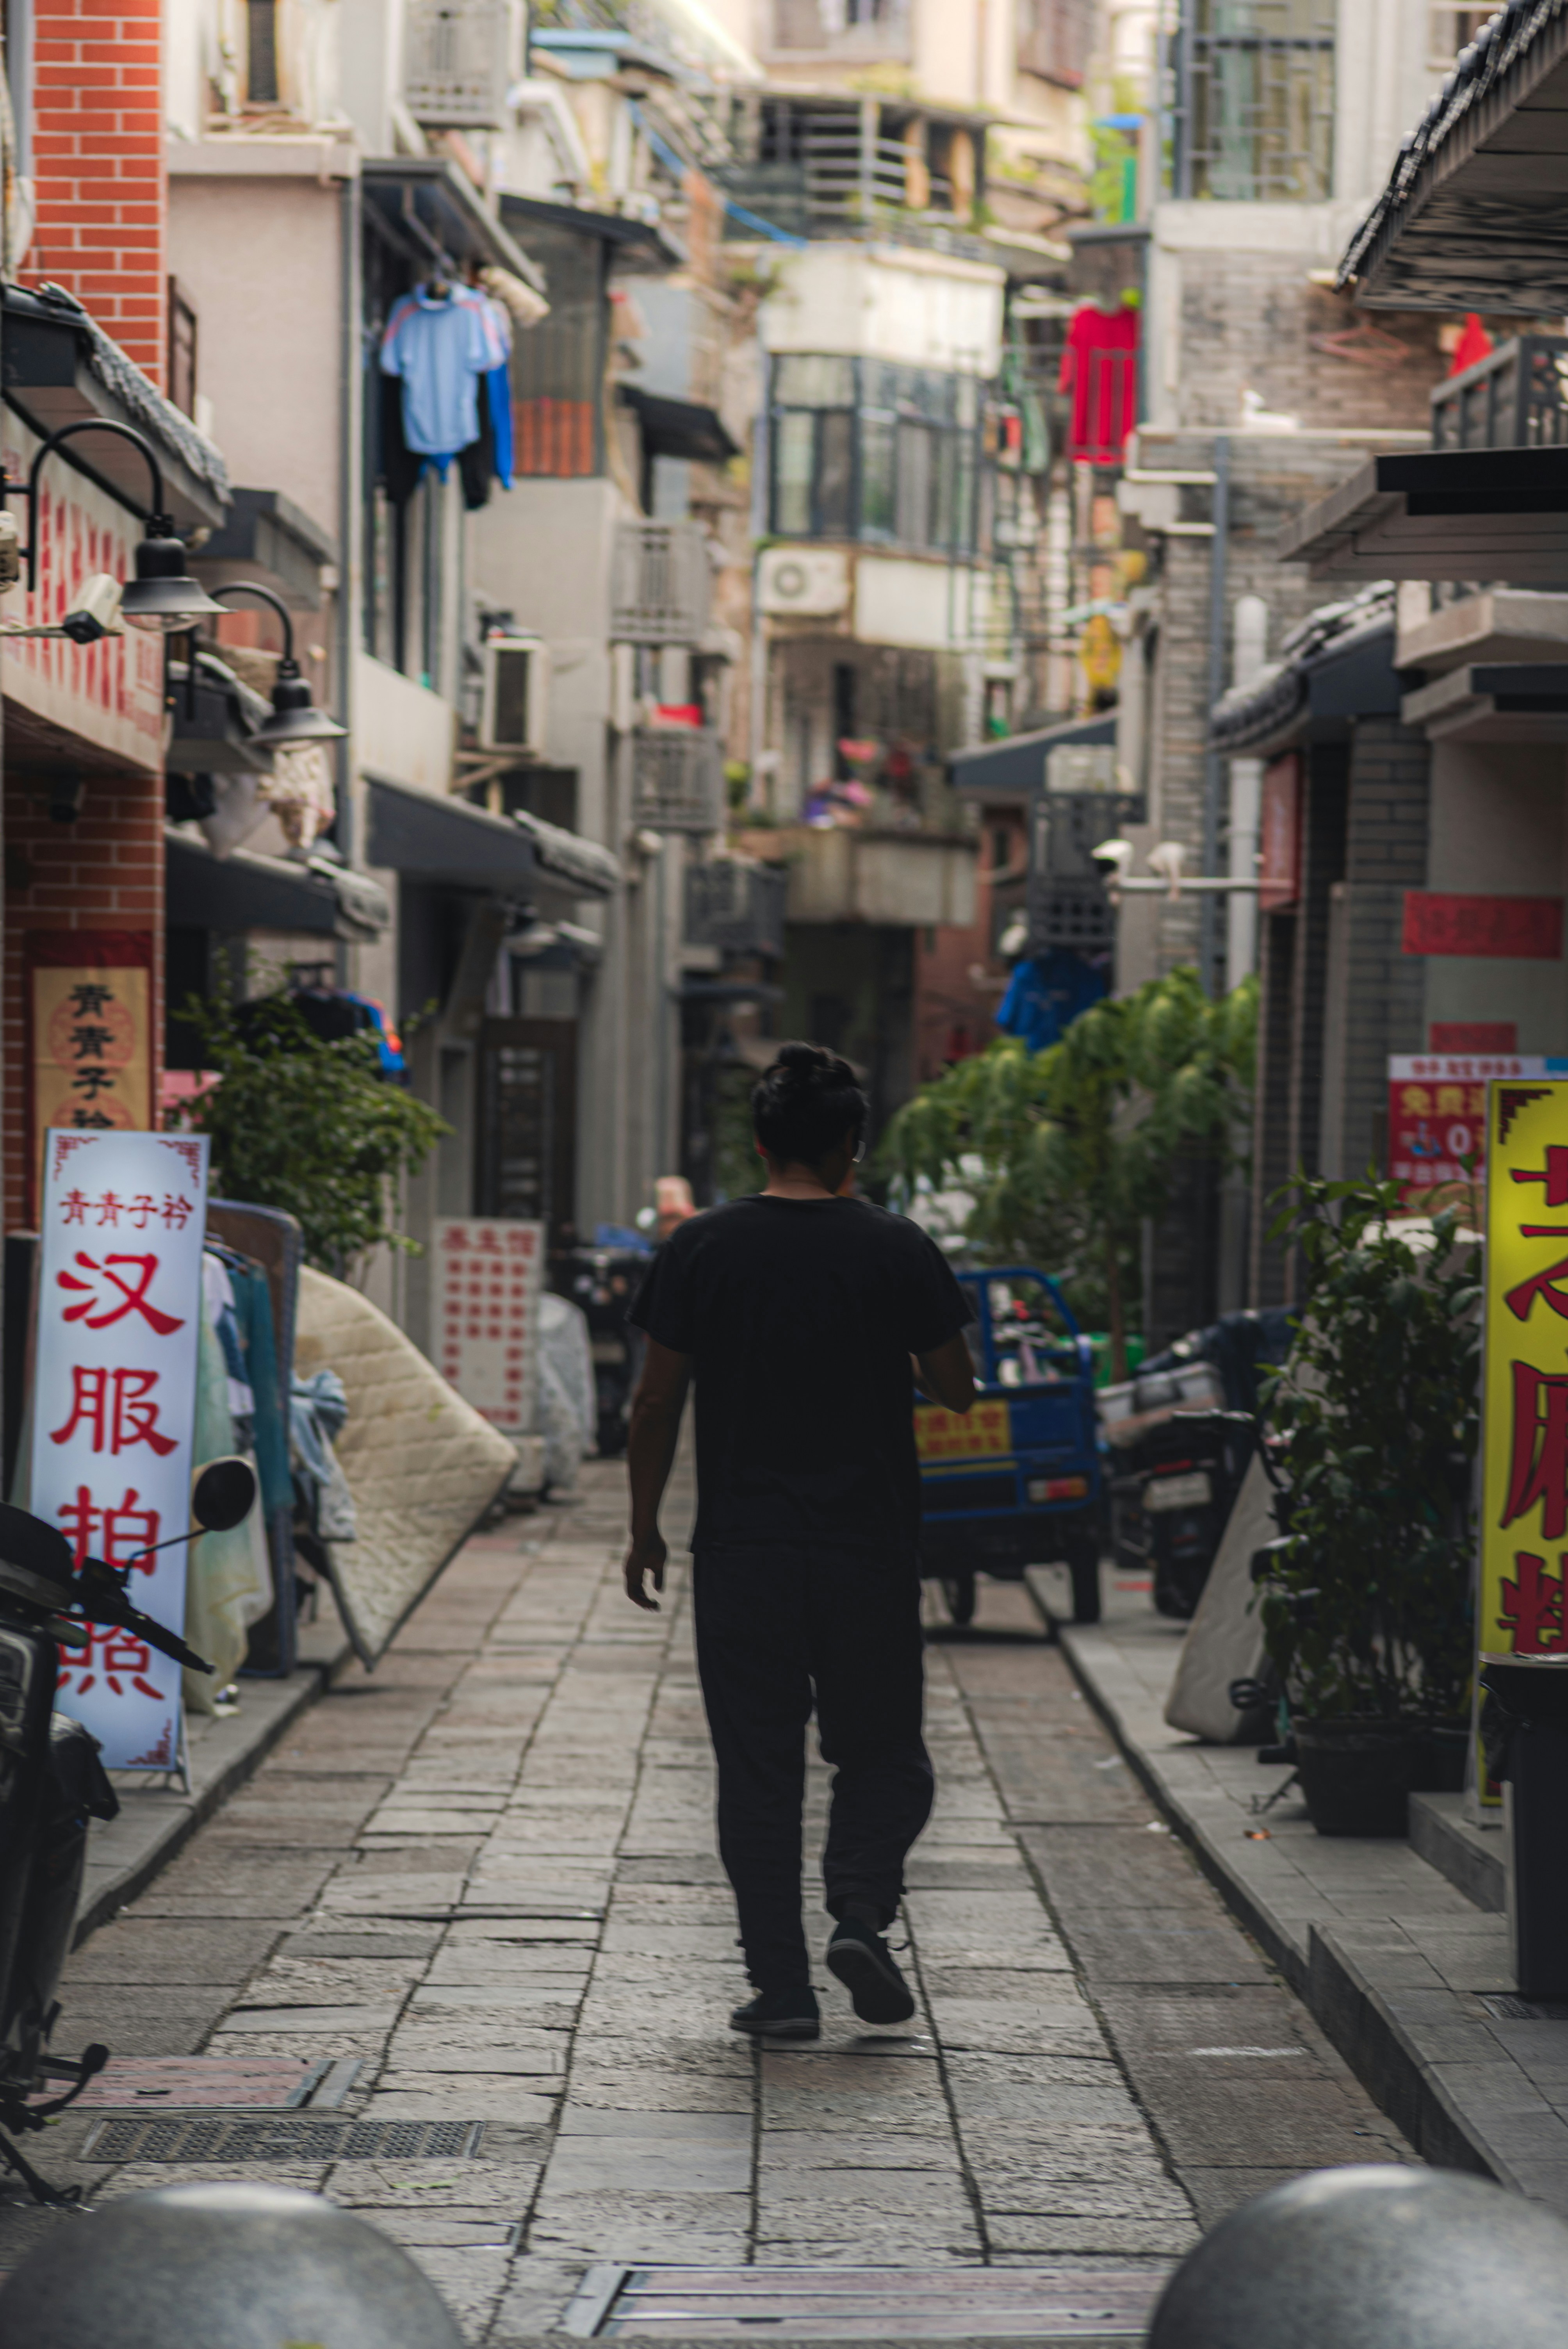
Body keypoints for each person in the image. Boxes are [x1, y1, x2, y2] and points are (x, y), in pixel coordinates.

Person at [623, 1043, 976, 2041]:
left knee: (757, 1768)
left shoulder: (701, 1248)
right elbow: (957, 1387)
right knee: (885, 1754)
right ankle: (860, 1908)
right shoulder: (896, 1246)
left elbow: (655, 1400)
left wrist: (644, 1524)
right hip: (867, 1546)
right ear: (851, 1145)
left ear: (761, 1139)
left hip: (743, 1549)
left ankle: (781, 1990)